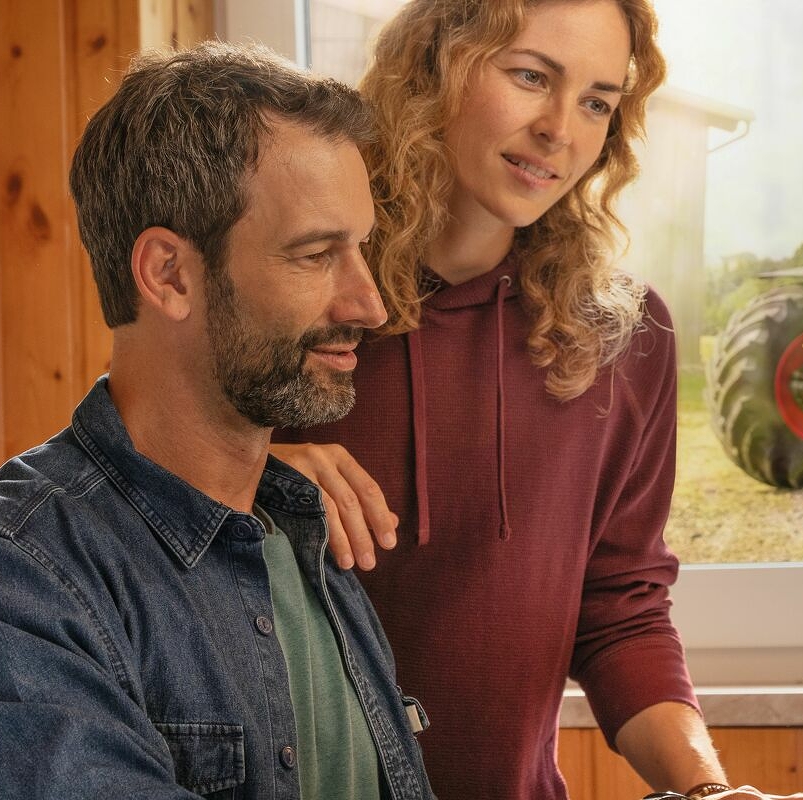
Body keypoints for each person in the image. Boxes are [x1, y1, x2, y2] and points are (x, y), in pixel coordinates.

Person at [0, 42, 433, 800]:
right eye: (316, 255)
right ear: (169, 274)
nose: (369, 305)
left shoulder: (307, 537)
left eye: (361, 250)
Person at [271, 0, 765, 797]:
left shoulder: (621, 338)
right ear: (436, 66)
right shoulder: (302, 297)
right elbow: (147, 502)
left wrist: (708, 792)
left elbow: (623, 612)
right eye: (532, 76)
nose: (561, 129)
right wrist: (253, 468)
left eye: (598, 101)